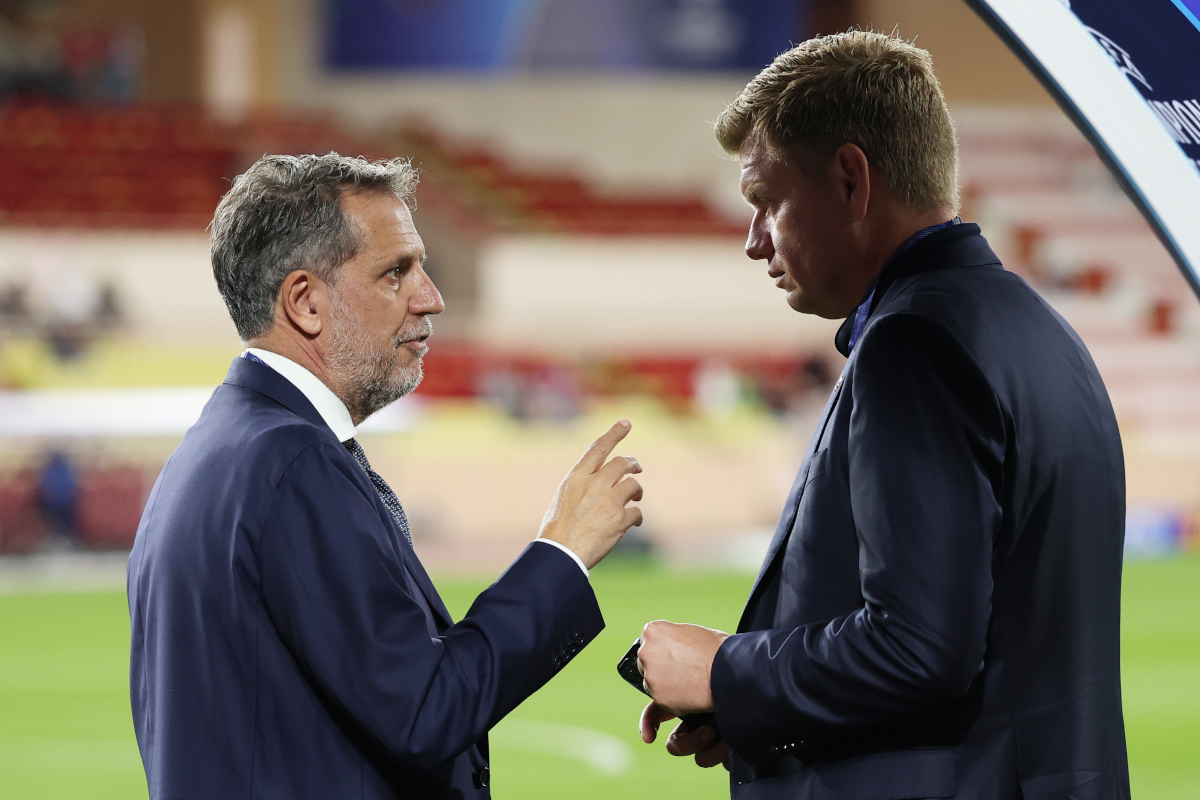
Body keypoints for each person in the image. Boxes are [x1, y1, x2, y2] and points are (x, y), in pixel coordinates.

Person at [635, 31, 1130, 799]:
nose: (753, 240)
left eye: (767, 201)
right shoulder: (1038, 329)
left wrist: (723, 670)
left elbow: (920, 646)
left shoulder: (915, 346)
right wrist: (755, 708)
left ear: (850, 180)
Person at [127, 154, 645, 800]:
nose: (431, 297)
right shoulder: (292, 465)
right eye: (395, 272)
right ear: (306, 302)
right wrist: (561, 554)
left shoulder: (215, 449)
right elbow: (424, 710)